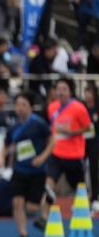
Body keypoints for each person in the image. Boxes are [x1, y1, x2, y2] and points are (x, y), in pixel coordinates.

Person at [0, 92, 56, 237]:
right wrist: (1, 157)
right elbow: (6, 145)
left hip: (37, 171)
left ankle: (47, 195)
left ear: (31, 107)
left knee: (32, 207)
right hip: (19, 170)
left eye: (23, 105)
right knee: (17, 203)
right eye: (18, 105)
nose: (20, 108)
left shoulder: (39, 124)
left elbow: (52, 141)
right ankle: (23, 236)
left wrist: (42, 158)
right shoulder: (13, 126)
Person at [41, 77, 92, 223]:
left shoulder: (79, 108)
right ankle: (44, 216)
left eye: (64, 89)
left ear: (70, 92)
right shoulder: (52, 108)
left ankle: (83, 216)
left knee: (80, 188)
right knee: (49, 183)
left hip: (74, 155)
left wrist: (72, 132)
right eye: (58, 89)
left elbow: (88, 127)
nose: (61, 92)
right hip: (56, 153)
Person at [83, 83, 99, 214]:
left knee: (94, 171)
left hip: (95, 143)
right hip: (82, 143)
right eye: (86, 92)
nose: (88, 95)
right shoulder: (81, 108)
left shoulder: (97, 109)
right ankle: (81, 198)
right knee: (81, 171)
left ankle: (94, 198)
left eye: (90, 92)